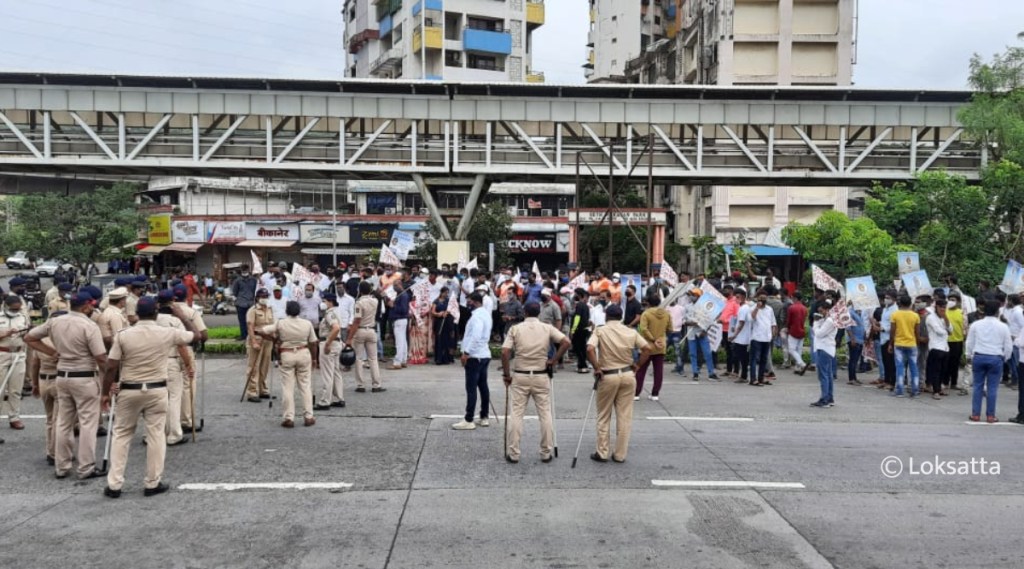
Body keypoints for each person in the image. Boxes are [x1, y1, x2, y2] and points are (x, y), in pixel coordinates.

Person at [100, 297, 198, 498]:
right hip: (156, 389)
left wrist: (105, 392)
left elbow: (111, 366)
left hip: (129, 389)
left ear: (137, 313)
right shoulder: (167, 333)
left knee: (121, 435)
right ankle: (152, 482)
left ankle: (114, 484)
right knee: (156, 435)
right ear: (155, 312)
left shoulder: (123, 335)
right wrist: (180, 315)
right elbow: (196, 336)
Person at [25, 293, 107, 480]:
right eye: (91, 306)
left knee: (63, 422)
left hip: (62, 376)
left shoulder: (56, 322)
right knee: (87, 423)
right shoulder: (89, 325)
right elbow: (101, 357)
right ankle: (86, 467)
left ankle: (61, 466)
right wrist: (110, 380)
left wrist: (52, 352)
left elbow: (29, 338)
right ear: (86, 306)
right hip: (84, 377)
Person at [500, 301, 571, 463]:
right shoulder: (546, 327)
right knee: (545, 414)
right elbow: (566, 342)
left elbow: (505, 352)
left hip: (521, 374)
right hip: (541, 374)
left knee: (517, 414)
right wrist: (553, 360)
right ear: (539, 313)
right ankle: (546, 452)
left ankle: (514, 452)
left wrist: (506, 375)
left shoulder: (515, 329)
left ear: (525, 313)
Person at [586, 304, 650, 463]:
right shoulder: (630, 331)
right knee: (624, 416)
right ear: (621, 317)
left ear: (606, 316)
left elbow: (589, 349)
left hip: (608, 375)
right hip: (628, 374)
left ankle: (602, 452)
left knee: (603, 415)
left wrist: (596, 367)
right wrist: (638, 365)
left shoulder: (600, 330)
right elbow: (647, 348)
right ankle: (620, 454)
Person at [256, 301, 319, 428]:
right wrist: (314, 358)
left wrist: (274, 339)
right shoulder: (307, 324)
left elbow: (261, 331)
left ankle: (288, 417)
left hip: (287, 354)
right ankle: (308, 416)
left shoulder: (281, 323)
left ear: (287, 311)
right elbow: (313, 342)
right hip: (303, 352)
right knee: (305, 386)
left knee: (287, 387)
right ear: (299, 311)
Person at [155, 290, 195, 446]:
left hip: (153, 362)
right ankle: (174, 434)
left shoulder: (152, 320)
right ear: (173, 302)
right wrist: (188, 364)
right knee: (174, 398)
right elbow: (182, 346)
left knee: (156, 398)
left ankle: (153, 434)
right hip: (171, 361)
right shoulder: (175, 321)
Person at [966, 300, 1012, 423]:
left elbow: (969, 342)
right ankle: (990, 415)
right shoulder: (1003, 326)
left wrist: (968, 355)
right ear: (997, 312)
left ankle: (976, 414)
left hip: (979, 356)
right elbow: (1008, 345)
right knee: (992, 388)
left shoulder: (976, 324)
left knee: (977, 386)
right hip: (996, 357)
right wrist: (1005, 358)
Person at [452, 292, 493, 430]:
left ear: (474, 302)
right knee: (483, 386)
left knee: (471, 388)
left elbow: (475, 336)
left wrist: (466, 353)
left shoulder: (476, 317)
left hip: (475, 356)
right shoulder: (486, 314)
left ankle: (469, 419)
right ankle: (484, 416)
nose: (467, 304)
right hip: (484, 354)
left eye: (469, 301)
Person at [173, 285, 208, 435]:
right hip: (186, 348)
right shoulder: (190, 312)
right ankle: (186, 421)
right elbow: (203, 334)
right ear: (187, 296)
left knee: (171, 389)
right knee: (188, 386)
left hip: (167, 351)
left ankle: (171, 422)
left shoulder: (163, 314)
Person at [29, 315, 61, 464]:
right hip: (59, 380)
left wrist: (34, 384)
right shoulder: (61, 341)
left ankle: (49, 450)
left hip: (43, 380)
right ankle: (56, 452)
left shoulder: (40, 342)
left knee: (49, 419)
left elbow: (35, 364)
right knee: (59, 420)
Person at [345, 281, 384, 393]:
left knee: (359, 358)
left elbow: (357, 321)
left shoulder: (359, 303)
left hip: (361, 330)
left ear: (360, 290)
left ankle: (360, 384)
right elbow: (377, 295)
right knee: (373, 359)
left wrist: (349, 337)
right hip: (371, 330)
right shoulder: (375, 301)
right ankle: (376, 385)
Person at [0, 295, 30, 430]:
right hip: (2, 353)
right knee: (0, 389)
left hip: (18, 354)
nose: (15, 312)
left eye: (17, 309)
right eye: (13, 309)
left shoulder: (22, 317)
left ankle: (14, 417)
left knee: (16, 389)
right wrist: (5, 333)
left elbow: (27, 336)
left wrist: (26, 332)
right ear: (6, 306)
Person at [636, 290, 671, 400]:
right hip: (661, 345)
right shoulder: (666, 314)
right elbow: (670, 329)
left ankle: (636, 393)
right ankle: (655, 394)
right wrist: (660, 337)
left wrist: (652, 338)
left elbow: (643, 329)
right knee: (658, 371)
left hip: (647, 345)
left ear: (648, 303)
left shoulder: (646, 314)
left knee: (641, 370)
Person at [315, 293, 346, 410]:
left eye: (325, 301)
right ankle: (339, 398)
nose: (323, 303)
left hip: (329, 344)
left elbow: (336, 328)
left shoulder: (330, 313)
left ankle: (325, 401)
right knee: (336, 372)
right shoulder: (336, 311)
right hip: (336, 343)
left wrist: (327, 343)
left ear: (330, 301)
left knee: (327, 373)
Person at [243, 289, 275, 402]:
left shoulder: (270, 309)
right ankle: (252, 391)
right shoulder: (253, 310)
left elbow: (272, 325)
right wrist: (254, 342)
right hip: (256, 338)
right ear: (257, 297)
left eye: (266, 296)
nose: (264, 298)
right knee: (254, 366)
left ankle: (263, 389)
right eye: (262, 296)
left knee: (265, 366)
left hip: (267, 340)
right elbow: (250, 327)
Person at [889, 296, 922, 398]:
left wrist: (890, 343)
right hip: (912, 344)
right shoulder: (915, 316)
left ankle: (899, 390)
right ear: (910, 303)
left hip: (899, 344)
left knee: (900, 367)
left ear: (900, 303)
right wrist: (917, 342)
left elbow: (892, 331)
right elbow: (917, 332)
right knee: (914, 367)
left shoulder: (895, 315)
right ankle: (915, 390)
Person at [683, 289, 717, 383]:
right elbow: (683, 321)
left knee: (707, 353)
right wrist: (690, 323)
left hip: (702, 333)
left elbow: (710, 321)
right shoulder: (687, 307)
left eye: (694, 295)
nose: (692, 296)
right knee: (693, 354)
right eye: (691, 295)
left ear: (699, 296)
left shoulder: (705, 307)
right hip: (691, 333)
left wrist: (705, 330)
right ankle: (695, 373)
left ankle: (711, 373)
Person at [810, 300, 837, 407]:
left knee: (823, 375)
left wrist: (816, 323)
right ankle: (829, 397)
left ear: (826, 309)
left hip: (825, 349)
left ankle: (824, 398)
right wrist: (820, 321)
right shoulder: (827, 319)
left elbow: (819, 334)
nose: (820, 313)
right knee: (828, 375)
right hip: (826, 349)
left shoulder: (830, 321)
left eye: (821, 311)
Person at [925, 299, 952, 400]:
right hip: (935, 347)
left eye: (944, 307)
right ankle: (935, 390)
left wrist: (945, 318)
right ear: (936, 307)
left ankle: (939, 388)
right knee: (935, 370)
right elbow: (939, 331)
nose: (943, 309)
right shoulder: (931, 318)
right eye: (941, 307)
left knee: (943, 370)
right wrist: (947, 330)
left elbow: (951, 330)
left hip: (945, 347)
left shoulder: (944, 318)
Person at [749, 292, 777, 386]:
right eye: (761, 299)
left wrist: (773, 332)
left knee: (763, 360)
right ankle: (753, 379)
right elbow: (751, 318)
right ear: (757, 299)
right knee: (754, 359)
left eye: (764, 299)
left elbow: (773, 322)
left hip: (767, 338)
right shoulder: (753, 308)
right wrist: (757, 307)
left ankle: (761, 378)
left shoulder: (769, 309)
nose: (763, 301)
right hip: (756, 337)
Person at [945, 292, 968, 395]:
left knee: (955, 363)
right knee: (946, 363)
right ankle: (945, 382)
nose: (951, 302)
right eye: (949, 299)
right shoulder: (944, 311)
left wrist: (965, 337)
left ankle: (954, 383)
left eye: (953, 300)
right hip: (946, 340)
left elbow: (965, 326)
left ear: (958, 302)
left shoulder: (961, 312)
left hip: (958, 341)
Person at [728, 289, 753, 384]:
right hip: (744, 337)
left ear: (743, 297)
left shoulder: (743, 308)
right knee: (743, 358)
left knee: (741, 357)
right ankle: (743, 375)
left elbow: (741, 323)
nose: (736, 299)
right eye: (735, 297)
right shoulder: (746, 307)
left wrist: (734, 335)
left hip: (742, 338)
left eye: (738, 297)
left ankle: (743, 376)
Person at [230, 265, 258, 339]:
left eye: (245, 270)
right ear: (241, 271)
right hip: (240, 303)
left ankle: (251, 335)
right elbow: (234, 292)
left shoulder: (254, 280)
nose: (244, 272)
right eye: (243, 270)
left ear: (249, 270)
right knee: (242, 321)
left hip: (250, 303)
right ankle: (243, 335)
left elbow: (256, 291)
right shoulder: (237, 281)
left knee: (251, 321)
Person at [388, 282, 410, 370]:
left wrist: (393, 305)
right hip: (401, 320)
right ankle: (403, 360)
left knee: (399, 342)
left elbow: (403, 310)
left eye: (396, 285)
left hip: (399, 319)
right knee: (403, 341)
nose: (394, 287)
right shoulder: (400, 295)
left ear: (400, 285)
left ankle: (397, 362)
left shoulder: (403, 296)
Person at [432, 288, 455, 365]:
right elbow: (433, 311)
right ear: (441, 293)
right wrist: (438, 314)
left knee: (446, 340)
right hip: (438, 322)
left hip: (446, 322)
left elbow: (452, 310)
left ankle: (446, 358)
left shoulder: (448, 301)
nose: (446, 294)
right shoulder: (436, 301)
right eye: (445, 293)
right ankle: (438, 358)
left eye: (447, 293)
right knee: (439, 339)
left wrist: (446, 312)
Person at [786, 293, 808, 373]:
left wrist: (788, 328)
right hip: (802, 330)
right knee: (799, 350)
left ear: (794, 298)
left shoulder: (791, 308)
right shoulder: (805, 308)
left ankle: (802, 364)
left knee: (791, 349)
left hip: (793, 330)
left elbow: (789, 320)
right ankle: (797, 367)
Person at [570, 289, 591, 373]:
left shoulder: (579, 305)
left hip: (579, 330)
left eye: (575, 294)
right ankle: (581, 365)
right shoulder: (586, 306)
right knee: (582, 348)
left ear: (579, 295)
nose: (574, 296)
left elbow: (577, 318)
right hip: (584, 329)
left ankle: (582, 366)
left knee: (578, 348)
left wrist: (573, 330)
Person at [846, 301, 866, 386]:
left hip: (860, 339)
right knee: (853, 359)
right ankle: (851, 378)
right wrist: (852, 338)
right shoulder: (850, 312)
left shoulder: (860, 312)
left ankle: (854, 378)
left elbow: (862, 325)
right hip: (854, 339)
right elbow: (848, 326)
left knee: (856, 359)